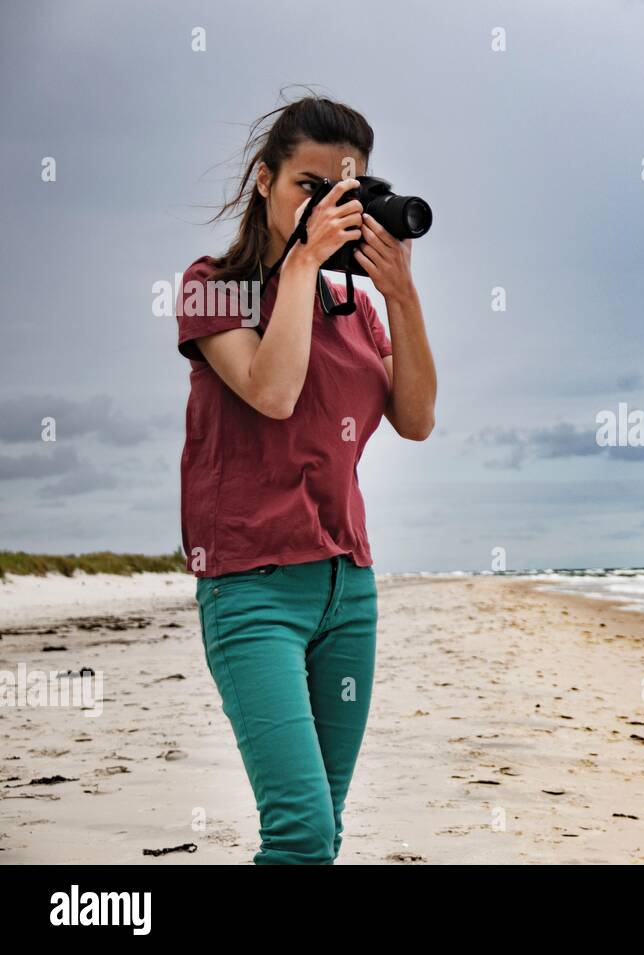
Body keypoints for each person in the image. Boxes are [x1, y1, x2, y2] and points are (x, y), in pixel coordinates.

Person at [175, 94, 437, 864]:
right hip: (251, 587)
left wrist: (401, 294)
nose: (327, 208)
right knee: (300, 830)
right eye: (308, 188)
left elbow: (417, 418)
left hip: (346, 588)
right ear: (265, 181)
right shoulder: (212, 285)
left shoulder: (357, 310)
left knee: (325, 829)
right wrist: (299, 262)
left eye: (344, 190)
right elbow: (273, 389)